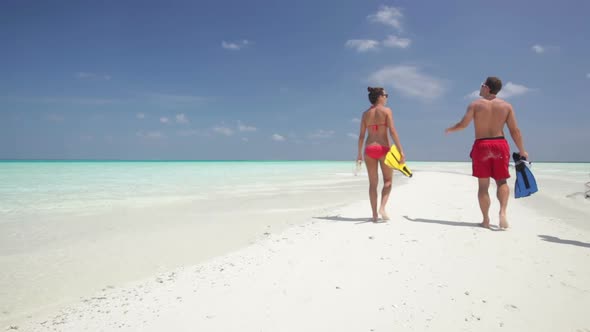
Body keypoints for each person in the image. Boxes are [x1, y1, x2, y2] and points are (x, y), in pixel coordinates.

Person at [445, 76, 528, 229]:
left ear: (487, 88)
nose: (480, 87)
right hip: (500, 144)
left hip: (482, 146)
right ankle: (502, 213)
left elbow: (463, 124)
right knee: (501, 181)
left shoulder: (475, 105)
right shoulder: (506, 106)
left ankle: (486, 220)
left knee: (483, 186)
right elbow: (515, 131)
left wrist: (451, 129)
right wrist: (522, 150)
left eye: (482, 85)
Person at [357, 87, 405, 222]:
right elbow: (393, 132)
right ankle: (382, 208)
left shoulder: (365, 114)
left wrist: (359, 154)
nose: (387, 97)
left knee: (373, 184)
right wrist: (401, 150)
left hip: (369, 149)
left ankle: (374, 215)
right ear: (379, 97)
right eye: (385, 95)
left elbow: (361, 136)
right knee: (388, 181)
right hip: (384, 149)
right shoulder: (387, 111)